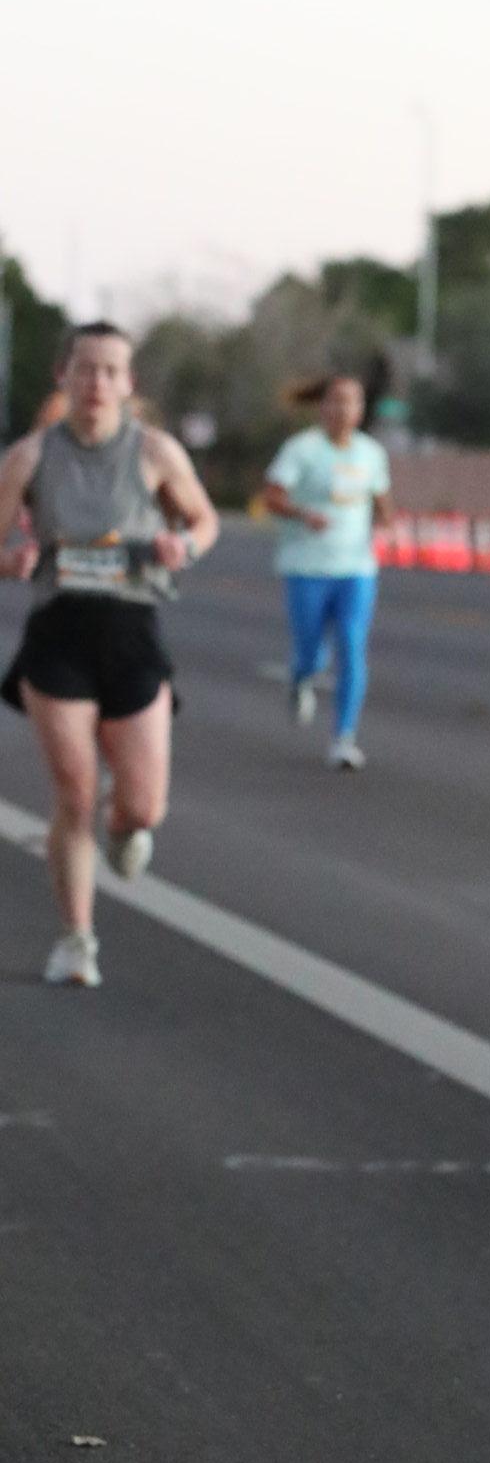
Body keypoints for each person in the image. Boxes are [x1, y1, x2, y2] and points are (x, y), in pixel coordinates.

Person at [0, 323, 219, 986]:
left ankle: (126, 827)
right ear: (63, 376)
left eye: (110, 371)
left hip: (132, 632)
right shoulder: (29, 457)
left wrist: (185, 547)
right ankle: (77, 941)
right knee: (74, 795)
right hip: (59, 634)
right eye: (85, 369)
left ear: (129, 383)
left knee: (144, 805)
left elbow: (203, 520)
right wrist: (11, 560)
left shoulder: (155, 452)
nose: (97, 383)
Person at [262, 374, 393, 770]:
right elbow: (272, 497)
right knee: (311, 655)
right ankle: (301, 677)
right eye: (336, 401)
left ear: (361, 409)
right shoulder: (302, 449)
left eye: (352, 402)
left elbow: (381, 499)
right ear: (322, 406)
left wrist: (388, 521)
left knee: (352, 645)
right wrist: (304, 514)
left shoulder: (371, 453)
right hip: (307, 565)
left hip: (356, 568)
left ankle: (344, 738)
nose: (343, 409)